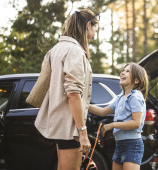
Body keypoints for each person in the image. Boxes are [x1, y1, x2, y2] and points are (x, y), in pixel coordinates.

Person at [34, 9, 99, 170]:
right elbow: (73, 93)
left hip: (59, 122)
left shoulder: (56, 49)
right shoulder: (75, 51)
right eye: (95, 30)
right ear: (88, 25)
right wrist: (82, 132)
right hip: (70, 126)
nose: (94, 35)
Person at [88, 63, 149, 170]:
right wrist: (83, 104)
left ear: (136, 80)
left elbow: (136, 123)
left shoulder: (135, 97)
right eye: (123, 70)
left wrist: (112, 125)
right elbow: (102, 112)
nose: (123, 72)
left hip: (132, 145)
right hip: (119, 144)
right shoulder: (120, 97)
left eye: (128, 71)